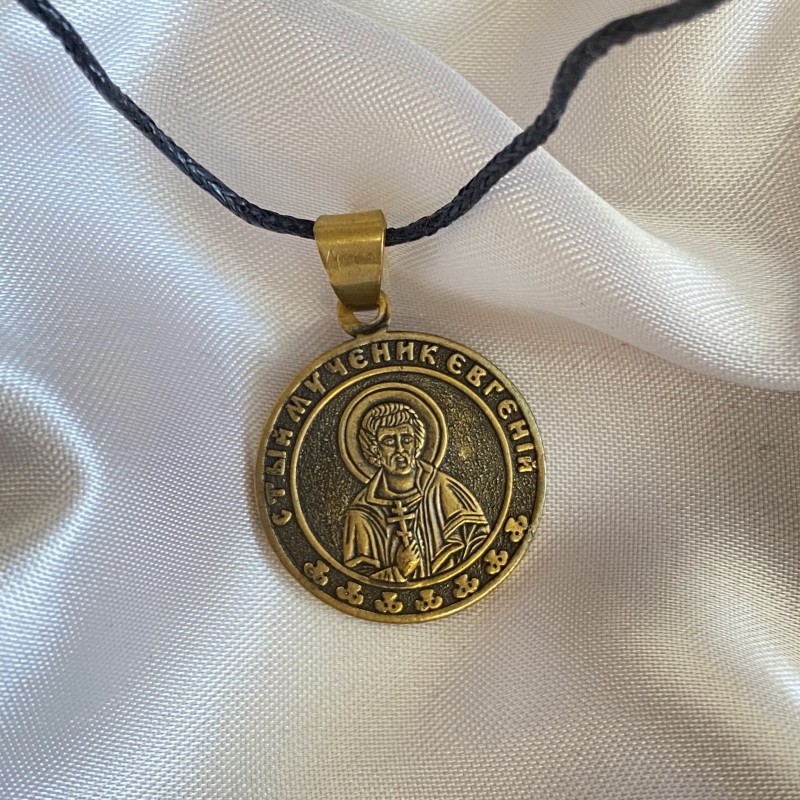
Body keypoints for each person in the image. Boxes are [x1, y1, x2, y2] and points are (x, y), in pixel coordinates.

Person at [342, 401, 489, 582]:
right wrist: (398, 571)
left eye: (406, 439)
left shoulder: (445, 490)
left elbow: (479, 546)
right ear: (375, 450)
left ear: (417, 443)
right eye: (389, 441)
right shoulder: (361, 513)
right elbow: (355, 579)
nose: (400, 449)